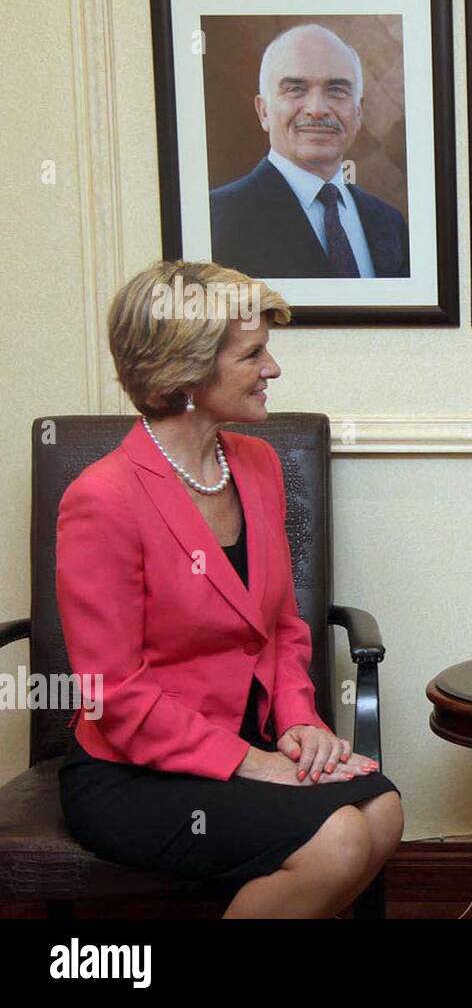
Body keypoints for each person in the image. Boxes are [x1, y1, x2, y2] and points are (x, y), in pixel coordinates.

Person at [57, 260, 404, 919]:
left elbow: (278, 628)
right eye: (253, 353)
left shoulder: (257, 464)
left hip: (248, 739)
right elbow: (116, 695)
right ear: (187, 375)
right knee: (336, 841)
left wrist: (298, 719)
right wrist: (251, 760)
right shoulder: (102, 499)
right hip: (135, 771)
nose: (272, 368)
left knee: (381, 810)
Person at [209, 23, 410, 279]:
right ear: (264, 111)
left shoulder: (390, 223)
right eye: (295, 89)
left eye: (336, 90)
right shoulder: (216, 219)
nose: (316, 109)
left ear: (358, 112)